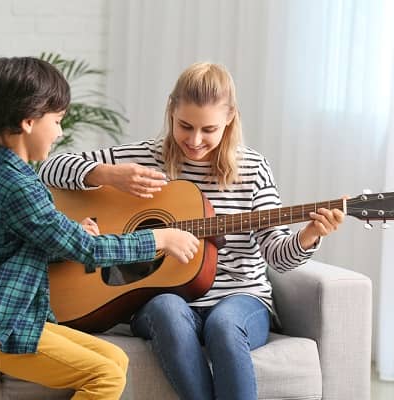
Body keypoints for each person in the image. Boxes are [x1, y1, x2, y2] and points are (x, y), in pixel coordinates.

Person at [39, 62, 345, 400]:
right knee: (166, 308)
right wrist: (108, 175)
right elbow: (50, 168)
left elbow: (278, 256)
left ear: (230, 119)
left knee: (225, 326)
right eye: (185, 126)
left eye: (209, 129)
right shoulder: (144, 157)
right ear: (171, 110)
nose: (195, 140)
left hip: (240, 296)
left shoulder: (253, 169)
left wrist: (309, 235)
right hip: (161, 298)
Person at [0, 56, 199, 400]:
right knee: (105, 375)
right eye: (58, 120)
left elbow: (15, 246)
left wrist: (71, 234)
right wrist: (158, 238)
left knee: (115, 359)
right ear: (29, 120)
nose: (61, 131)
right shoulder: (17, 185)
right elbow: (89, 251)